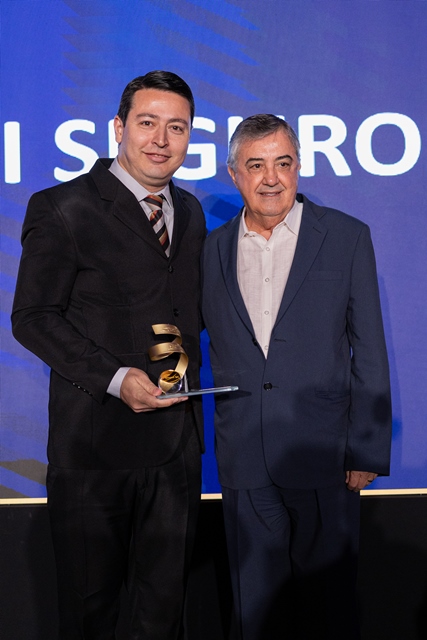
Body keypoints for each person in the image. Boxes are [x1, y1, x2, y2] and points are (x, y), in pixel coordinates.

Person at [12, 71, 206, 640]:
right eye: (147, 123)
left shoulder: (191, 212)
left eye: (177, 127)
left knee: (163, 616)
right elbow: (33, 318)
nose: (161, 140)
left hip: (176, 451)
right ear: (119, 128)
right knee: (89, 617)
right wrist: (117, 378)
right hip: (94, 450)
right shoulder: (63, 206)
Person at [201, 114, 392, 640]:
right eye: (255, 165)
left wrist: (366, 449)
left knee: (328, 610)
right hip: (244, 456)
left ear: (299, 168)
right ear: (234, 174)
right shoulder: (212, 248)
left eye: (283, 163)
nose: (271, 178)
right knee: (255, 612)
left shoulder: (347, 236)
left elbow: (369, 349)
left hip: (324, 456)